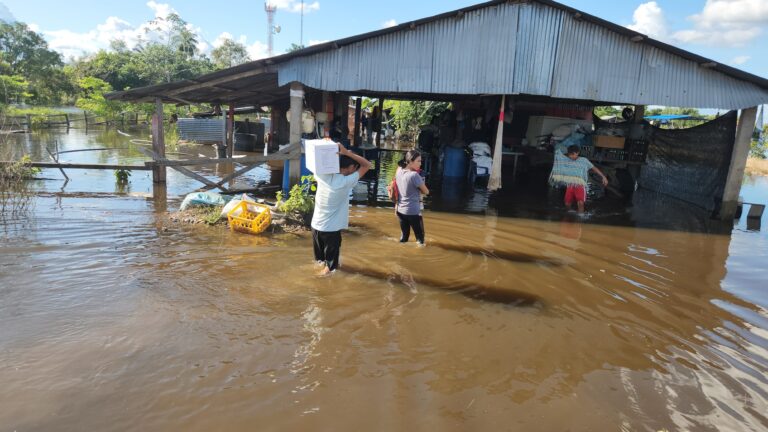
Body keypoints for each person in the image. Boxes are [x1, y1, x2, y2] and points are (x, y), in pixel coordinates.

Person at [311, 143, 372, 275]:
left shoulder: (321, 175)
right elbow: (367, 165)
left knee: (319, 261)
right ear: (351, 167)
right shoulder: (345, 182)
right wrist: (347, 153)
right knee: (331, 268)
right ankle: (319, 283)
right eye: (355, 168)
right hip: (331, 230)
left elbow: (317, 160)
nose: (355, 171)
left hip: (315, 227)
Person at [549, 142, 608, 214]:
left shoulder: (584, 160)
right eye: (570, 154)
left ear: (577, 153)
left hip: (580, 186)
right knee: (567, 204)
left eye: (573, 154)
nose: (571, 156)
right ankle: (569, 215)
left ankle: (580, 218)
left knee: (580, 203)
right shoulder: (567, 160)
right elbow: (559, 157)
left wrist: (603, 176)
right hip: (570, 185)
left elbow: (594, 168)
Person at [395, 150, 429, 245]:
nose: (420, 163)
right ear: (410, 161)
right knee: (420, 239)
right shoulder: (414, 175)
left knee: (404, 237)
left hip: (401, 210)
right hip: (413, 211)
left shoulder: (399, 170)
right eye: (418, 161)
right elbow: (426, 191)